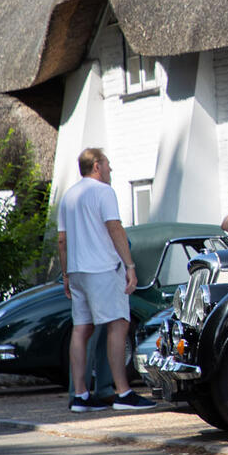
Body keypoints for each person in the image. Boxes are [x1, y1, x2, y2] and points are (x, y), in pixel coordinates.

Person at [57, 148, 155, 412]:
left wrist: (66, 274)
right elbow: (115, 227)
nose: (111, 170)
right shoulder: (104, 192)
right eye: (108, 165)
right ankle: (123, 392)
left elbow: (62, 240)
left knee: (82, 328)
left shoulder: (68, 197)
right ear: (97, 166)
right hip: (102, 268)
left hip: (77, 270)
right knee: (118, 324)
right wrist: (130, 265)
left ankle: (80, 396)